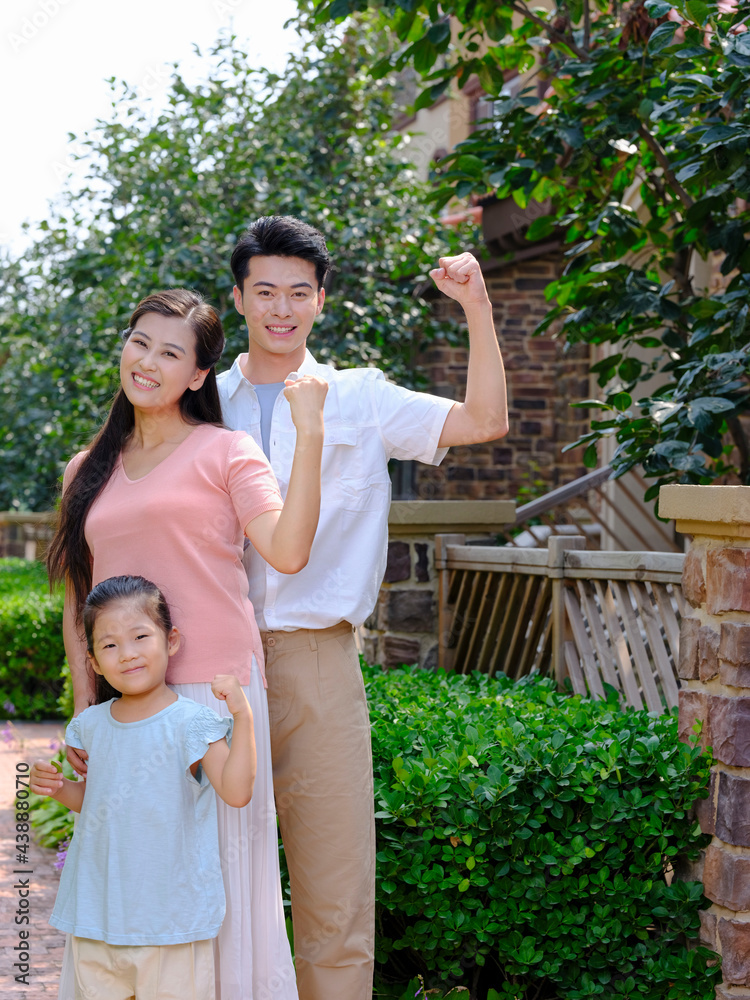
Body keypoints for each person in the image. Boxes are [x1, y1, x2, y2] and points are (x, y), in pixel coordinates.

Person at [217, 215, 509, 1000]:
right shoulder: (199, 405)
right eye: (265, 291)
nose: (282, 308)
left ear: (322, 300)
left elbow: (485, 422)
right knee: (207, 884)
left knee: (334, 887)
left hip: (318, 658)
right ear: (239, 297)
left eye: (299, 293)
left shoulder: (361, 398)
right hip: (210, 664)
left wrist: (477, 306)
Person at [47, 287, 328, 1000]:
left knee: (226, 888)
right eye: (140, 341)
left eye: (172, 352)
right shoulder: (87, 471)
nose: (148, 361)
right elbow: (80, 596)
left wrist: (311, 433)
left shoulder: (227, 451)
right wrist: (86, 698)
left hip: (214, 695)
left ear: (200, 375)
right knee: (136, 880)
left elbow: (289, 551)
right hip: (126, 704)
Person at [31, 575, 256, 1000]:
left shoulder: (191, 722)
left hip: (170, 922)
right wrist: (60, 788)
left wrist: (242, 718)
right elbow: (97, 803)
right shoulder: (91, 726)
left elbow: (237, 791)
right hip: (97, 916)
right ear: (94, 662)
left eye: (140, 636)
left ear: (170, 641)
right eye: (110, 644)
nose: (128, 654)